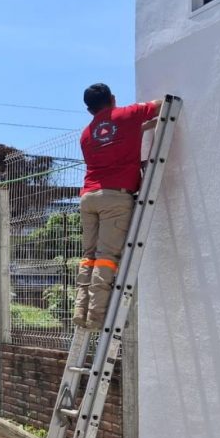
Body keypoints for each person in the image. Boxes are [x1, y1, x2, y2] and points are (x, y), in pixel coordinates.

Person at [73, 83, 162, 329]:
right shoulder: (126, 115)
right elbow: (161, 104)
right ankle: (96, 317)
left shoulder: (86, 134)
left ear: (89, 110)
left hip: (89, 196)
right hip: (115, 197)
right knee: (106, 258)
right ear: (112, 99)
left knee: (89, 258)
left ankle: (81, 311)